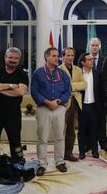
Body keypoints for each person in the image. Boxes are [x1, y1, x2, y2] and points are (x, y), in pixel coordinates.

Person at [0, 47, 29, 182]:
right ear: (5, 58)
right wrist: (10, 86)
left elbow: (20, 92)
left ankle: (18, 167)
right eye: (10, 58)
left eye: (16, 58)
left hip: (13, 114)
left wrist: (0, 88)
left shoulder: (22, 74)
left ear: (19, 60)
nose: (13, 60)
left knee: (16, 142)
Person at [31, 47, 71, 176]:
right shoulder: (38, 73)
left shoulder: (63, 73)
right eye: (54, 56)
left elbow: (67, 91)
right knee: (42, 138)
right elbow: (34, 92)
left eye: (57, 56)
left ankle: (59, 162)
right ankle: (42, 164)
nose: (57, 58)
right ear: (47, 57)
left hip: (59, 108)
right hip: (44, 108)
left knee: (60, 137)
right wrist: (48, 102)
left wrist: (58, 102)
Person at [59, 47, 86, 162]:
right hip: (63, 103)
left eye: (72, 55)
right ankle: (59, 155)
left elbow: (84, 84)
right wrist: (74, 87)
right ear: (63, 56)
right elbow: (61, 87)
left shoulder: (78, 70)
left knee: (71, 130)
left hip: (75, 103)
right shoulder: (58, 69)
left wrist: (71, 86)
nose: (70, 58)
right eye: (68, 55)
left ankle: (68, 154)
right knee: (60, 130)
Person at [89, 37, 107, 153]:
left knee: (102, 122)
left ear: (100, 47)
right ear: (90, 46)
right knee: (89, 122)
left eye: (97, 45)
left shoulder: (105, 60)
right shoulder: (84, 60)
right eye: (93, 45)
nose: (94, 47)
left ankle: (103, 143)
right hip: (88, 97)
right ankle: (90, 144)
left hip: (102, 98)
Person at [78, 53, 100, 159]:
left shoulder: (96, 73)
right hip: (82, 106)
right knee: (82, 130)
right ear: (83, 62)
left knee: (94, 129)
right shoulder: (78, 74)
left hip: (94, 105)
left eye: (92, 59)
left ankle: (95, 151)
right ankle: (82, 151)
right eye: (89, 59)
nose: (92, 61)